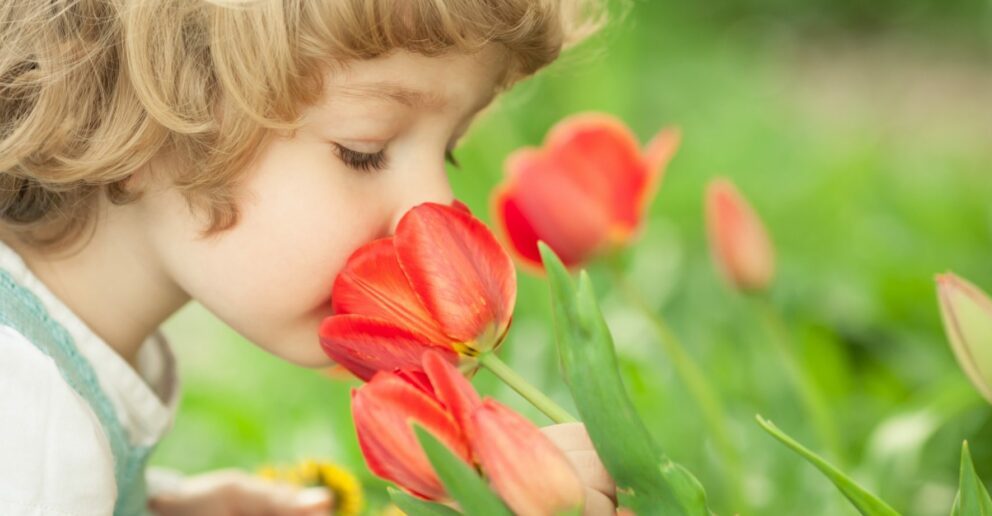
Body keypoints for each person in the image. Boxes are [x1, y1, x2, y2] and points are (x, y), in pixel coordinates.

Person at [0, 1, 616, 514]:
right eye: (363, 151)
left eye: (449, 150)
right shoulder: (30, 415)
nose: (431, 212)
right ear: (139, 113)